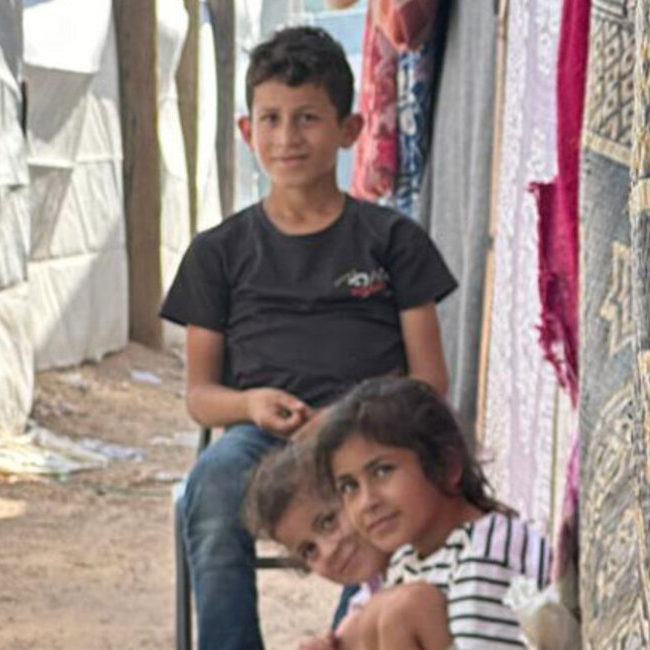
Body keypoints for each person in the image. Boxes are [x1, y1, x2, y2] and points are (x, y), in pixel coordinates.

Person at [162, 25, 457, 649]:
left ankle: (351, 642)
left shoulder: (393, 242)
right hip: (258, 439)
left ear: (349, 130)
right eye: (270, 119)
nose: (287, 138)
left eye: (308, 119)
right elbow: (200, 395)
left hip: (369, 439)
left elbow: (430, 381)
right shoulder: (218, 254)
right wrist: (249, 405)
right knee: (211, 486)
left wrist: (349, 421)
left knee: (389, 499)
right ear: (247, 131)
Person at [313, 377, 551, 649]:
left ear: (448, 466)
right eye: (349, 486)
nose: (367, 502)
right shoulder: (408, 558)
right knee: (365, 619)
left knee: (405, 608)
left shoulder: (488, 549)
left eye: (383, 471)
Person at [244, 439, 453, 650]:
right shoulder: (368, 594)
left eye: (328, 521)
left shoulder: (433, 553)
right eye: (309, 550)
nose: (329, 550)